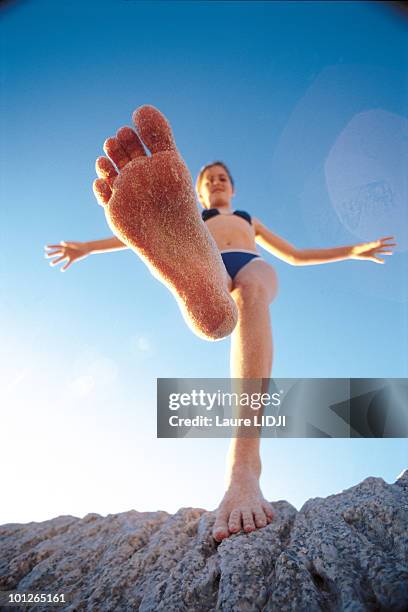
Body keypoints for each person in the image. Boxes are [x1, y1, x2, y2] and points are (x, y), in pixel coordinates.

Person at [45, 105, 395, 542]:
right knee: (213, 279)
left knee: (249, 290)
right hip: (206, 253)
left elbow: (297, 255)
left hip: (248, 264)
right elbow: (125, 234)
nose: (216, 182)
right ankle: (196, 277)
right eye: (208, 179)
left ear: (231, 187)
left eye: (222, 178)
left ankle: (242, 459)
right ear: (198, 191)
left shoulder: (247, 219)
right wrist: (86, 247)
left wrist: (352, 250)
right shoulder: (203, 218)